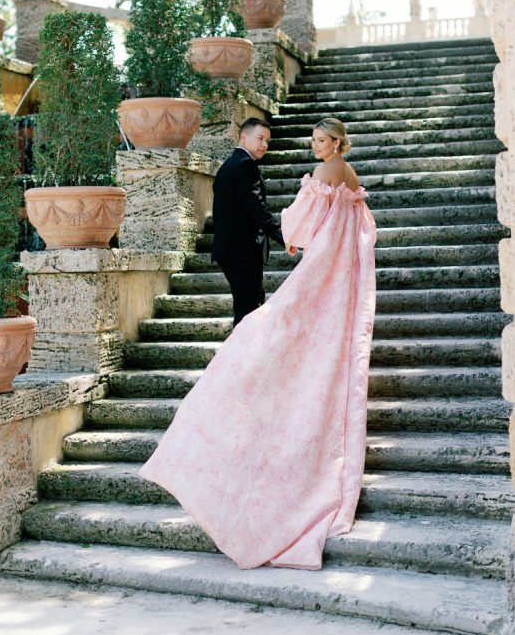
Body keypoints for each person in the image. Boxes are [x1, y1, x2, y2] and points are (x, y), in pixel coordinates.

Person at [139, 117, 377, 571]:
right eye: (313, 140)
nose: (315, 146)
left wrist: (290, 234)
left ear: (337, 143)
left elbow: (300, 219)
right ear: (244, 137)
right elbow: (362, 224)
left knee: (258, 327)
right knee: (267, 322)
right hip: (342, 268)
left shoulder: (323, 172)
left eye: (322, 140)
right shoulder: (349, 174)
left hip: (316, 262)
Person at [211, 117, 289, 327]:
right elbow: (256, 206)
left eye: (267, 141)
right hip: (242, 250)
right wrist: (282, 236)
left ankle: (244, 348)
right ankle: (238, 349)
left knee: (249, 306)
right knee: (248, 309)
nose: (264, 144)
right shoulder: (245, 164)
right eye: (260, 138)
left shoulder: (228, 165)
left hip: (230, 248)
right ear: (244, 137)